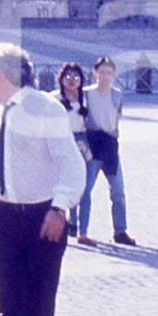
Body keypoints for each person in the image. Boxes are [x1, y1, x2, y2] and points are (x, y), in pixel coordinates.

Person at [0, 43, 85, 316]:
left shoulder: (46, 109)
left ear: (3, 74)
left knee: (40, 301)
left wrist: (59, 209)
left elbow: (71, 163)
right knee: (9, 296)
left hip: (44, 218)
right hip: (4, 216)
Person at [77, 57, 137, 247]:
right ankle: (79, 229)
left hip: (110, 146)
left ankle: (120, 231)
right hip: (93, 145)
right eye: (101, 72)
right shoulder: (86, 94)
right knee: (85, 190)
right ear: (95, 73)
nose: (105, 76)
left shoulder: (118, 94)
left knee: (118, 190)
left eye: (109, 73)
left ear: (113, 75)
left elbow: (117, 118)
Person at [55, 61, 92, 238]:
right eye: (68, 76)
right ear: (61, 79)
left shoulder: (85, 98)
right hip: (63, 140)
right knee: (63, 182)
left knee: (83, 185)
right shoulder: (54, 98)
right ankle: (69, 222)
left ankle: (82, 231)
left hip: (82, 141)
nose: (72, 80)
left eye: (76, 76)